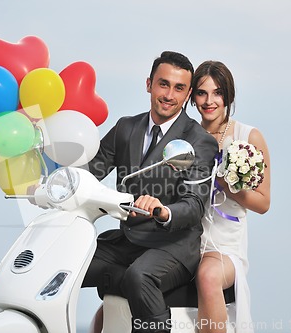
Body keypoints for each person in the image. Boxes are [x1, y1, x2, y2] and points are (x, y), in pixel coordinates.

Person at [82, 51, 218, 333]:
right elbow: (89, 172)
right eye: (163, 84)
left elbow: (194, 205)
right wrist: (54, 175)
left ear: (188, 93)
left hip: (173, 245)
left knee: (139, 276)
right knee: (69, 261)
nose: (169, 94)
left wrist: (163, 209)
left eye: (179, 88)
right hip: (128, 239)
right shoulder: (125, 128)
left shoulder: (199, 141)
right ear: (149, 84)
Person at [191, 60, 271, 333]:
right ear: (192, 97)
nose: (209, 101)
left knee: (208, 274)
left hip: (225, 246)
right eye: (201, 93)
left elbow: (263, 203)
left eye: (217, 93)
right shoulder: (186, 136)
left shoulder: (248, 136)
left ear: (229, 96)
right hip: (187, 239)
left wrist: (228, 185)